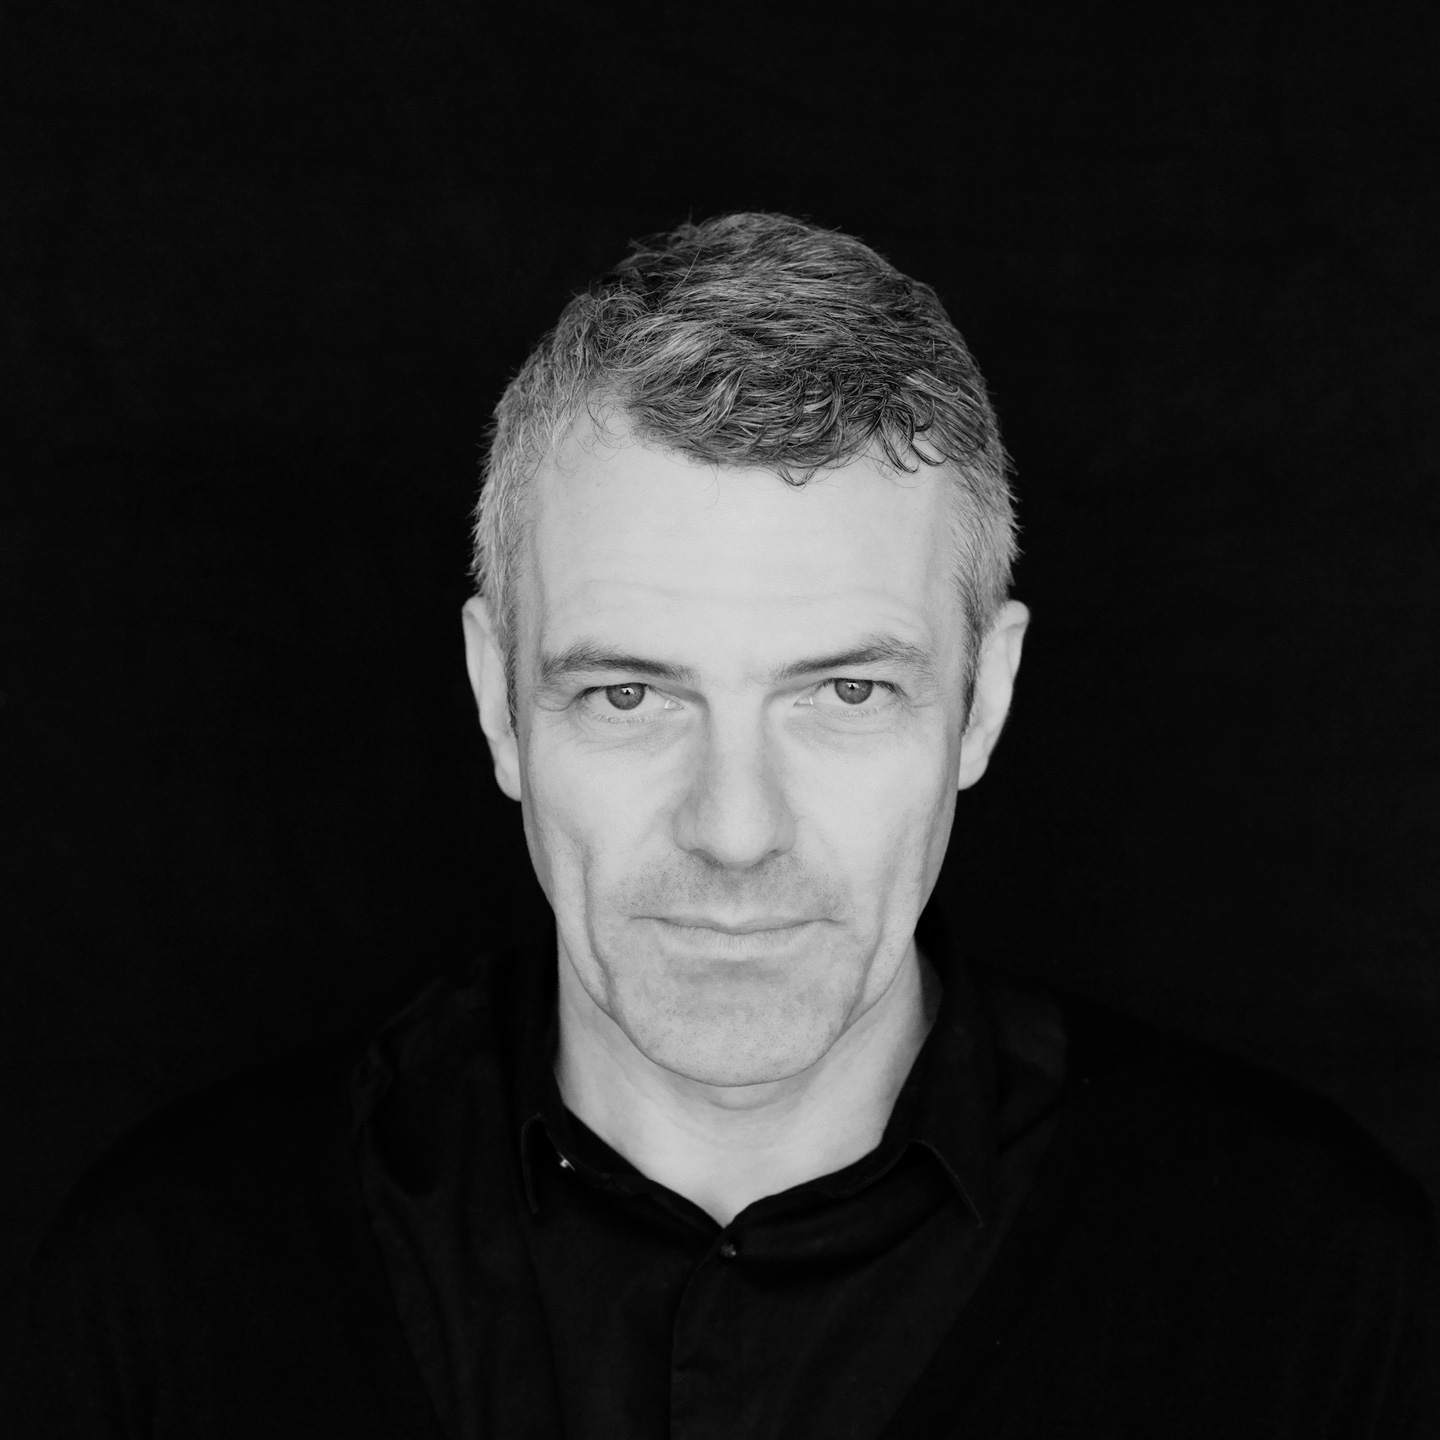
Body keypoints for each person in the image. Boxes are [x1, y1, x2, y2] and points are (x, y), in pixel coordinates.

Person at [22, 212, 1438, 1437]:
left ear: (984, 700)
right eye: (630, 694)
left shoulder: (1314, 1296)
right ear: (498, 702)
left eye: (845, 693)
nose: (737, 830)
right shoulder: (171, 1292)